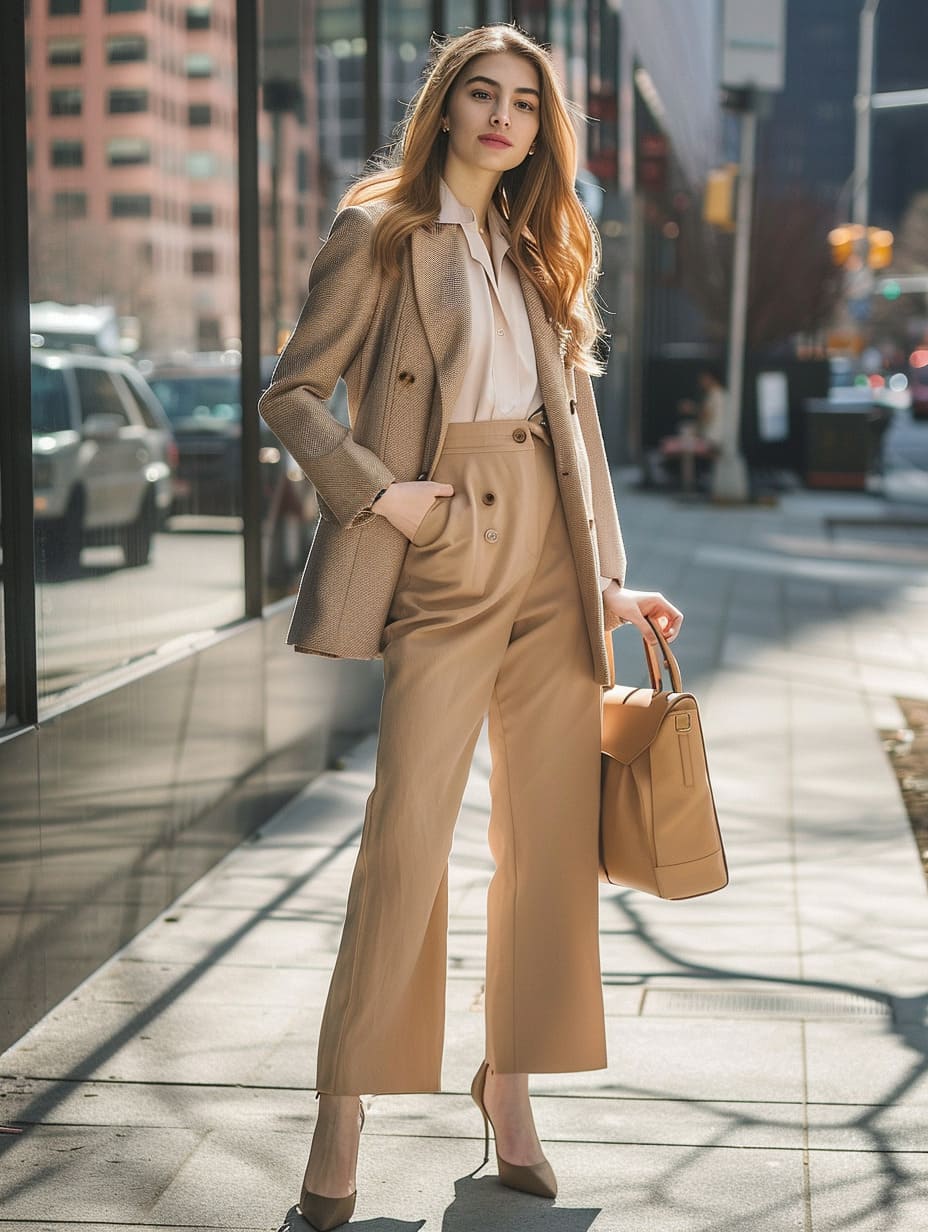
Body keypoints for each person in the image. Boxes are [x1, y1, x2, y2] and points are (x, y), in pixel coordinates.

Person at [258, 23, 684, 1230]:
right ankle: (343, 1105)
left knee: (549, 841)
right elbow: (289, 391)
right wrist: (380, 495)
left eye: (524, 104)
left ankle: (509, 1089)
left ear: (541, 130)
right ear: (443, 109)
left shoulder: (538, 244)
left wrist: (606, 575)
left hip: (552, 552)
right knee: (408, 831)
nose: (503, 116)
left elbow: (575, 431)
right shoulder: (382, 232)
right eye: (480, 95)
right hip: (444, 539)